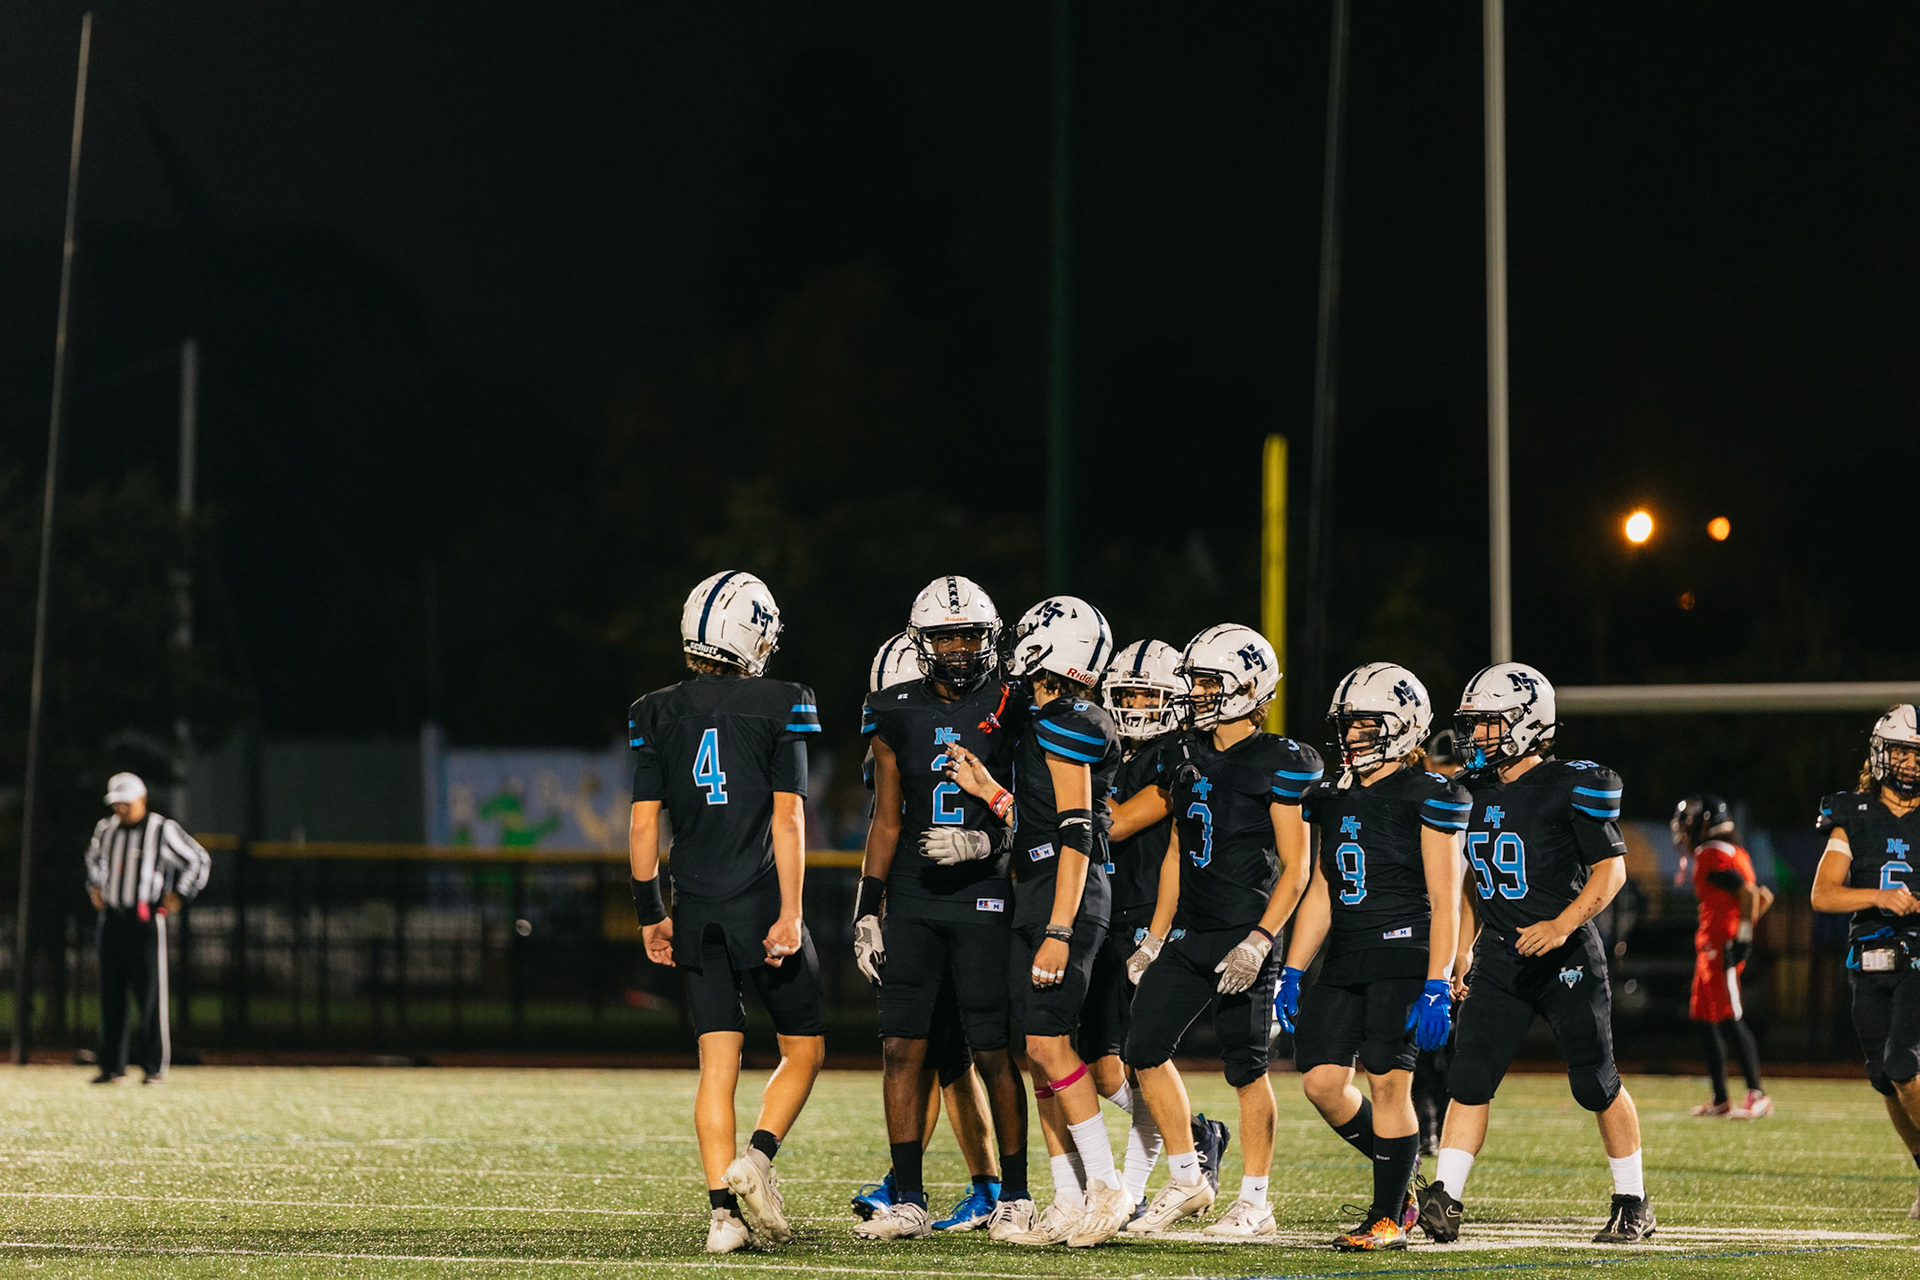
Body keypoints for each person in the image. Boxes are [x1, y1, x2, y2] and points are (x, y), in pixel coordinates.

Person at [1417, 662, 1655, 1246]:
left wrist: (1561, 924)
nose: (1477, 735)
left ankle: (1633, 1200)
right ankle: (1446, 1197)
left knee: (1595, 1081)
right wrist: (1463, 951)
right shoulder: (1472, 789)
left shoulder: (1566, 784)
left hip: (1565, 954)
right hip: (1501, 954)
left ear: (1527, 724)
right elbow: (1471, 882)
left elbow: (1611, 871)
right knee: (1469, 1077)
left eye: (1489, 723)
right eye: (1474, 723)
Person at [627, 570, 825, 1254]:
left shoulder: (654, 711)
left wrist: (650, 912)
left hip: (696, 907)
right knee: (805, 1047)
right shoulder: (782, 701)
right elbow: (789, 818)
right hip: (762, 901)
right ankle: (758, 1158)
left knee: (717, 1063)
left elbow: (643, 826)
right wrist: (791, 911)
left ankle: (721, 1218)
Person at [1122, 623, 1321, 1239]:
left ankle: (1256, 1201)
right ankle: (1188, 1177)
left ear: (1249, 687)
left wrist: (1260, 940)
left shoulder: (1281, 761)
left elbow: (1297, 868)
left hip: (1245, 930)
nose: (1198, 692)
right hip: (1191, 932)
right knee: (1142, 1048)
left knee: (1247, 1067)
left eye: (1211, 681)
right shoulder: (1183, 752)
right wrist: (1155, 937)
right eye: (1197, 681)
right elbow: (1175, 852)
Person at [942, 595, 1130, 1247]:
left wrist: (1058, 928)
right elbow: (1041, 821)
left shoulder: (1070, 720)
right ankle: (1069, 1196)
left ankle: (1105, 1185)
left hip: (1064, 896)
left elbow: (1075, 832)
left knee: (1050, 1044)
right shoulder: (1045, 719)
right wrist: (990, 793)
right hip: (1041, 890)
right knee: (1036, 1051)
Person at [853, 577, 1034, 1242]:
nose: (958, 648)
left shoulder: (1017, 703)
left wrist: (988, 841)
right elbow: (886, 819)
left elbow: (1037, 808)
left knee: (991, 1049)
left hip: (984, 892)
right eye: (945, 637)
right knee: (902, 1047)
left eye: (969, 635)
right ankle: (908, 1198)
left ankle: (1014, 1194)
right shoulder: (892, 709)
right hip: (915, 896)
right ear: (920, 643)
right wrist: (867, 910)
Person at [1279, 663, 1465, 1251]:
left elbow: (1445, 897)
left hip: (1405, 950)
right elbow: (1323, 888)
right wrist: (1292, 968)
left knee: (1388, 1083)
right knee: (1322, 1083)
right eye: (1349, 724)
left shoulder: (1429, 793)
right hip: (1348, 952)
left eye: (1367, 724)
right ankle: (1403, 1181)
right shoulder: (1332, 796)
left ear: (1404, 727)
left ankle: (1387, 1216)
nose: (1354, 736)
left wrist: (1438, 980)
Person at [1089, 640, 1230, 1217]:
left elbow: (1119, 823)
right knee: (1104, 1069)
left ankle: (1139, 1186)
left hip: (1150, 916)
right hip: (1107, 912)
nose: (1137, 705)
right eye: (1127, 694)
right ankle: (1195, 1132)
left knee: (1142, 1056)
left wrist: (1051, 803)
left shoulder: (1180, 755)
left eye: (1149, 695)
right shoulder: (1112, 749)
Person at [1810, 704, 1920, 1218]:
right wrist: (1878, 896)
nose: (1910, 764)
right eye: (1901, 752)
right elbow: (1823, 894)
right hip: (1868, 955)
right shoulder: (1851, 814)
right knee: (1882, 1076)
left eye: (1918, 755)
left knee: (1903, 1065)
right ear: (1880, 752)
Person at [84, 772, 212, 1084]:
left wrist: (180, 893)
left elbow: (198, 859)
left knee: (150, 996)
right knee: (111, 995)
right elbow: (94, 859)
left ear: (141, 799)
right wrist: (95, 886)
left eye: (126, 803)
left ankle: (154, 1067)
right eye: (117, 804)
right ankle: (112, 1066)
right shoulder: (105, 829)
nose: (121, 809)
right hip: (111, 919)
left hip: (144, 920)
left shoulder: (161, 829)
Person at [1672, 793, 1774, 1119]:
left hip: (1722, 945)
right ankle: (1720, 1098)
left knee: (1731, 1017)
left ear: (1705, 823)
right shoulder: (1734, 851)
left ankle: (1757, 1094)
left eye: (1688, 824)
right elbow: (1763, 897)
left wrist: (1741, 938)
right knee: (1705, 1019)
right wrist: (1744, 930)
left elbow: (1748, 893)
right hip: (1713, 945)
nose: (1684, 831)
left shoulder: (1712, 853)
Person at [1412, 727, 1466, 1155]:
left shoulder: (1472, 808)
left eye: (1454, 767)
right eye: (1442, 766)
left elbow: (1469, 895)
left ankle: (1449, 1125)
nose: (1448, 774)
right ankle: (1424, 1121)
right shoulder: (1418, 805)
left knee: (1457, 1041)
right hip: (1420, 933)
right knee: (1418, 1039)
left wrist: (1465, 949)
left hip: (1459, 933)